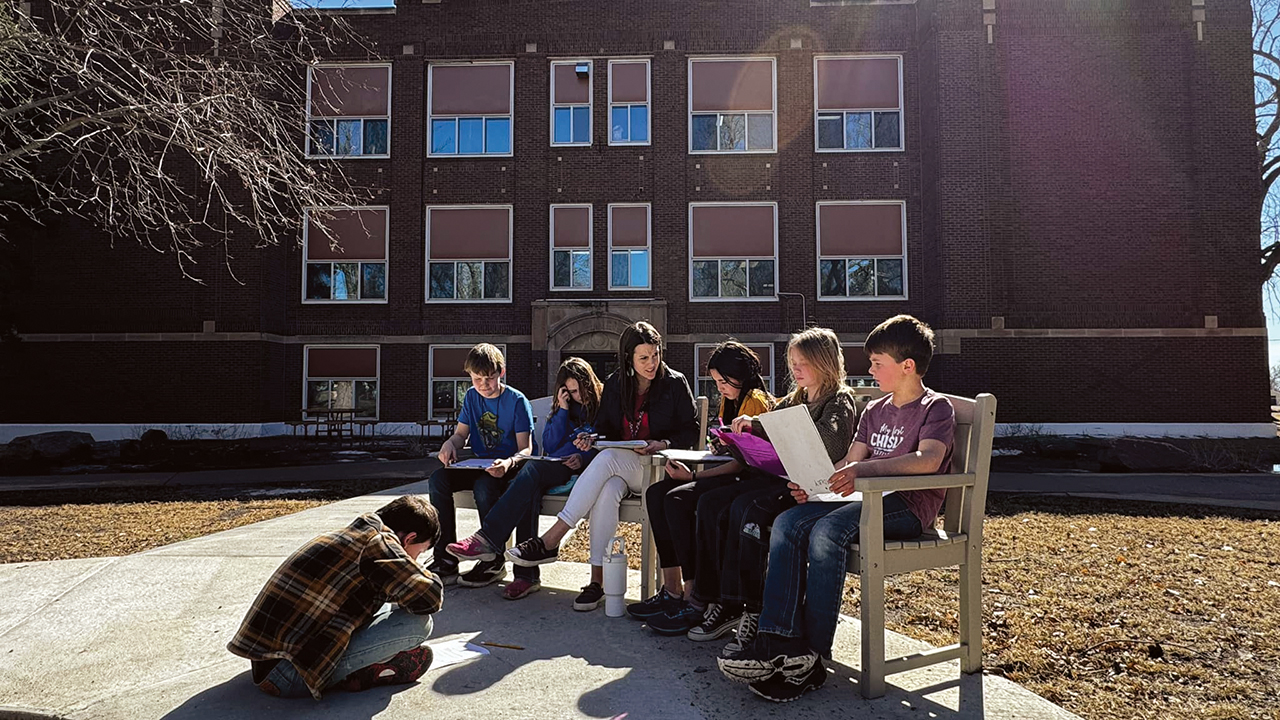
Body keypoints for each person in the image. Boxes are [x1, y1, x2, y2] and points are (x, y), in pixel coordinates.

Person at [719, 315, 956, 702]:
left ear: (907, 366)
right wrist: (814, 487)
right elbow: (848, 462)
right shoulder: (874, 410)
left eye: (877, 363)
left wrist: (863, 471)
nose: (870, 370)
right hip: (861, 502)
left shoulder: (935, 407)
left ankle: (811, 658)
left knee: (827, 533)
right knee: (788, 522)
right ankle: (777, 641)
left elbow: (928, 460)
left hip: (907, 506)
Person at [506, 321, 699, 611]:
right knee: (607, 488)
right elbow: (605, 429)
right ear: (628, 359)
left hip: (658, 468)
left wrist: (663, 442)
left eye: (655, 355)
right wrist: (591, 438)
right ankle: (598, 582)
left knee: (606, 460)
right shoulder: (616, 384)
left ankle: (552, 538)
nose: (652, 363)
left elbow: (692, 430)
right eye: (643, 358)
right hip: (624, 468)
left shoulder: (674, 383)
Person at [689, 327, 859, 650]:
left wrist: (779, 433)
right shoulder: (796, 398)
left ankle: (753, 609)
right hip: (783, 479)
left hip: (812, 490)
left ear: (824, 362)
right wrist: (748, 428)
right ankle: (723, 600)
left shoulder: (839, 400)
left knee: (749, 511)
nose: (795, 369)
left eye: (803, 362)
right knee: (722, 505)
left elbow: (831, 444)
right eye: (793, 362)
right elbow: (769, 423)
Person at [227, 495, 444, 700]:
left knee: (388, 604)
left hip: (267, 664)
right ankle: (358, 670)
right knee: (418, 624)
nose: (417, 559)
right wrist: (418, 571)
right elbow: (431, 599)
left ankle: (369, 666)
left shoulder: (362, 531)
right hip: (290, 677)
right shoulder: (378, 544)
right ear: (409, 539)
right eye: (420, 552)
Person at [632, 341, 775, 638]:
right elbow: (730, 450)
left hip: (750, 480)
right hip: (728, 472)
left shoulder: (755, 401)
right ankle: (671, 589)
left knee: (677, 499)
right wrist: (719, 445)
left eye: (724, 381)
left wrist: (694, 476)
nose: (720, 388)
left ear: (740, 375)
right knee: (656, 494)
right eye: (716, 382)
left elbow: (742, 464)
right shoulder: (730, 400)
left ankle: (693, 595)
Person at [445, 357, 604, 601]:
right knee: (530, 480)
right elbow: (550, 444)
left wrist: (582, 458)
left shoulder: (604, 405)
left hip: (588, 471)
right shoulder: (565, 406)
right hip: (557, 465)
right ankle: (525, 575)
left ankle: (488, 540)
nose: (578, 396)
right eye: (572, 392)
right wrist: (562, 409)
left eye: (581, 390)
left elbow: (608, 441)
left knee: (530, 473)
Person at [426, 343, 533, 588]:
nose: (484, 384)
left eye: (490, 378)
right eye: (477, 379)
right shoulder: (472, 397)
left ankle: (493, 560)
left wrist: (508, 463)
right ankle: (445, 559)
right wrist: (449, 444)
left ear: (501, 372)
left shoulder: (517, 401)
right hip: (479, 465)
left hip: (509, 468)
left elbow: (526, 449)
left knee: (484, 487)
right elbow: (460, 435)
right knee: (438, 479)